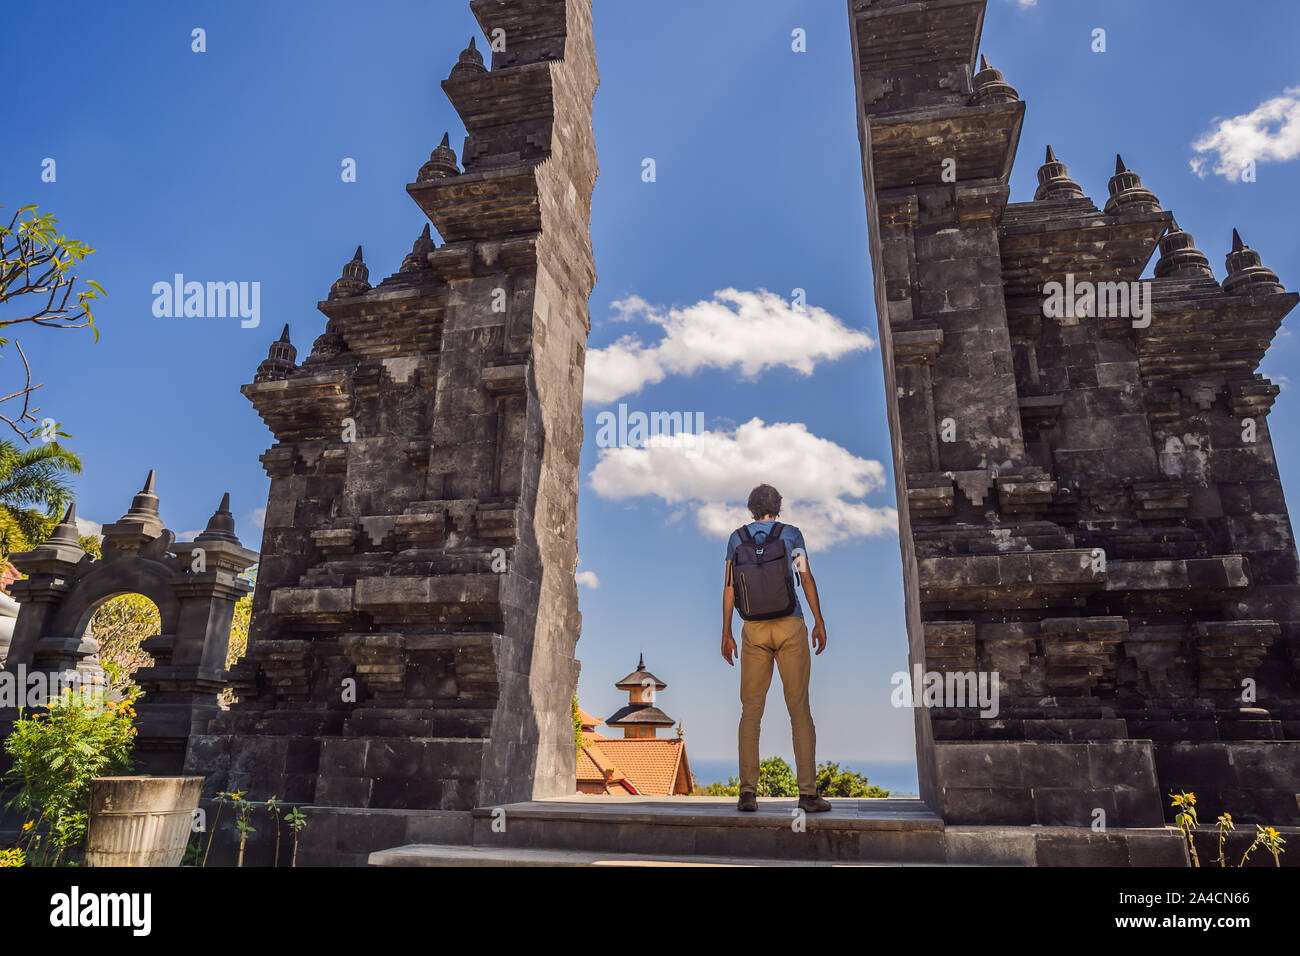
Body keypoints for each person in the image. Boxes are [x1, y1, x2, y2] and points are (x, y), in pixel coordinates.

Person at [721, 483, 830, 813]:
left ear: (751, 508)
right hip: (790, 625)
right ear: (778, 507)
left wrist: (726, 632)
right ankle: (808, 795)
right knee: (799, 708)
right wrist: (819, 620)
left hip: (752, 629)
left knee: (750, 711)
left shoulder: (737, 538)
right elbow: (806, 577)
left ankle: (747, 794)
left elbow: (728, 588)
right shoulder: (791, 534)